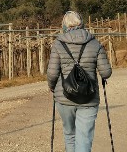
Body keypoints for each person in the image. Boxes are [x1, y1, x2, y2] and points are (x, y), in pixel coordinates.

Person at [47, 11, 112, 152]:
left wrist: (52, 87)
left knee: (70, 134)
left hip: (64, 97)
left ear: (64, 25)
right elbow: (106, 72)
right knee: (84, 138)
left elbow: (52, 73)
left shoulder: (58, 44)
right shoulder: (95, 43)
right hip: (89, 97)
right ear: (82, 23)